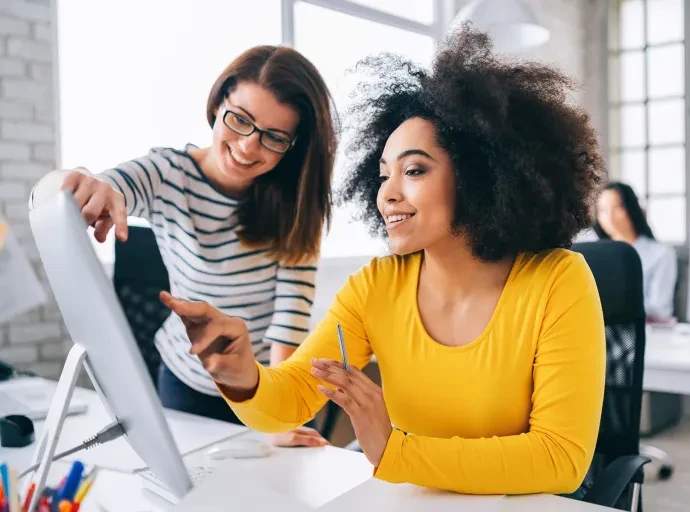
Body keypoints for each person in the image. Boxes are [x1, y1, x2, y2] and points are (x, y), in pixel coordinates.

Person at [160, 24, 607, 495]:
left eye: (414, 170)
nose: (387, 195)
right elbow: (292, 396)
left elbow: (560, 459)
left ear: (479, 176)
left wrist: (397, 450)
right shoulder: (377, 285)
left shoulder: (558, 281)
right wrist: (243, 375)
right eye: (382, 175)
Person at [29, 45, 336, 447]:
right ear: (218, 103)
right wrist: (76, 182)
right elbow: (81, 189)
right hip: (184, 379)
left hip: (257, 386)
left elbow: (290, 318)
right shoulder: (169, 174)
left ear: (293, 146)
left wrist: (276, 412)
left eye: (274, 138)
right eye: (240, 119)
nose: (247, 146)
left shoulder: (298, 203)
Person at [594, 181, 678, 322]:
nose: (610, 217)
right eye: (602, 210)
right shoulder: (594, 252)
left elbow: (660, 309)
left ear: (631, 208)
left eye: (617, 208)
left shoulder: (661, 254)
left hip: (646, 331)